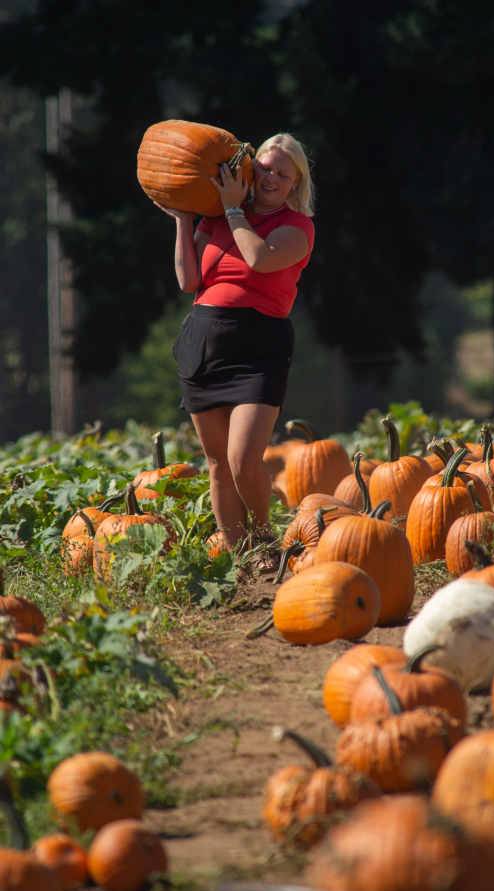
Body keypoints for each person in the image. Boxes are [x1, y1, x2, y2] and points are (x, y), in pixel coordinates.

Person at [155, 133, 315, 569]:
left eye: (283, 174)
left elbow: (258, 259)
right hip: (203, 340)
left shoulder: (297, 227)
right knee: (217, 466)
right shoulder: (217, 218)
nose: (270, 178)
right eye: (264, 167)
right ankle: (239, 560)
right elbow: (190, 282)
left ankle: (265, 541)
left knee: (243, 458)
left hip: (259, 346)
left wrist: (230, 209)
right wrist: (184, 220)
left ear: (296, 182)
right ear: (251, 165)